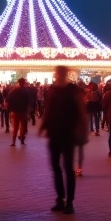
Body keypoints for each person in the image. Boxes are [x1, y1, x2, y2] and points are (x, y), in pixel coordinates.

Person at [40, 65, 84, 213]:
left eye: (59, 72)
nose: (56, 74)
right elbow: (48, 110)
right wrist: (43, 127)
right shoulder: (52, 89)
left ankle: (70, 201)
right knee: (55, 167)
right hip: (54, 132)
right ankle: (60, 198)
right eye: (56, 72)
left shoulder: (73, 90)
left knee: (67, 167)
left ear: (64, 73)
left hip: (68, 133)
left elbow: (80, 111)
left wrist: (81, 129)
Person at [7, 76, 32, 147]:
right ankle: (22, 140)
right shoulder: (26, 91)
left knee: (15, 127)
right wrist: (28, 110)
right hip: (23, 111)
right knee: (23, 126)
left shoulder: (14, 91)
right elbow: (28, 102)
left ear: (18, 82)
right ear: (24, 83)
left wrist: (11, 109)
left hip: (15, 111)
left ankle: (13, 142)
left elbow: (9, 99)